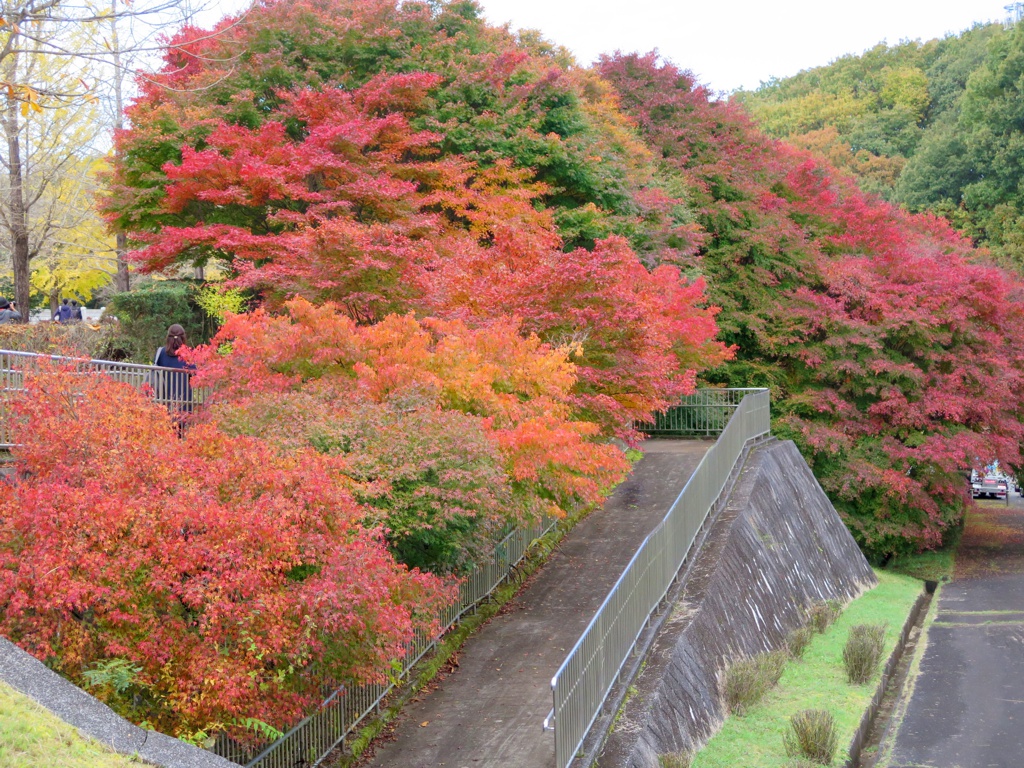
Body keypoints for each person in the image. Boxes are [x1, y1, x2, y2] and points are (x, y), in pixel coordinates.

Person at [152, 324, 195, 414]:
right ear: (183, 338)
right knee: (183, 422)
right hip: (185, 402)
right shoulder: (189, 354)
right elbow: (195, 376)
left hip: (163, 401)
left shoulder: (160, 353)